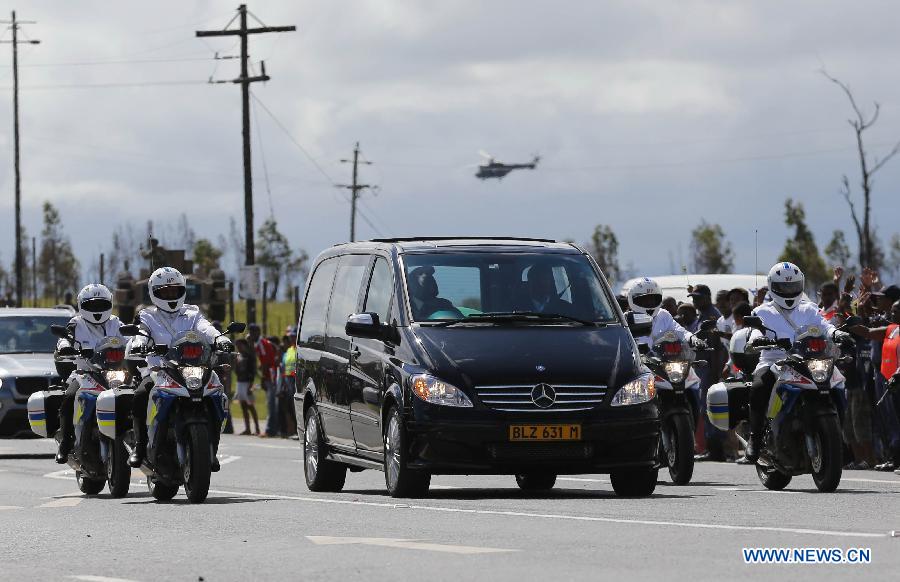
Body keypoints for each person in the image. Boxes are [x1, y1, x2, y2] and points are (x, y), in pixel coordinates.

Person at [745, 262, 852, 462]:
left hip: (808, 360)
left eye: (793, 286)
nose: (789, 291)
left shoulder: (809, 308)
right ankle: (755, 437)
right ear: (773, 287)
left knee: (837, 383)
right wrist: (758, 340)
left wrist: (838, 334)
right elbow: (754, 332)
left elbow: (824, 326)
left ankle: (839, 437)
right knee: (760, 385)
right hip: (774, 360)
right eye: (784, 287)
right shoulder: (762, 311)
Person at [127, 267, 231, 468]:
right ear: (154, 293)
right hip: (161, 371)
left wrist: (220, 338)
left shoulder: (192, 313)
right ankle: (140, 447)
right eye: (165, 292)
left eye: (174, 291)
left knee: (217, 394)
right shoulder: (147, 316)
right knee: (141, 393)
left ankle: (211, 448)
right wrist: (140, 342)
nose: (170, 295)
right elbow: (141, 333)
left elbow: (206, 328)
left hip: (193, 369)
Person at [54, 284, 125, 464]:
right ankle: (66, 442)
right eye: (92, 306)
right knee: (69, 396)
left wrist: (136, 346)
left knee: (129, 398)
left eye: (101, 305)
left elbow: (131, 339)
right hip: (84, 373)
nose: (97, 309)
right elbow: (65, 338)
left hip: (113, 373)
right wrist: (65, 348)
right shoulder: (76, 323)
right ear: (82, 306)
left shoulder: (116, 323)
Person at [626, 278, 706, 349]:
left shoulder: (663, 315)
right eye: (645, 299)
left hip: (665, 362)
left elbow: (680, 331)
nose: (650, 302)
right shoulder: (626, 319)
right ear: (633, 299)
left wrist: (693, 339)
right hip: (637, 362)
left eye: (653, 299)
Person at [248, 323, 280, 438]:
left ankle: (270, 430)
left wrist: (262, 378)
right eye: (250, 332)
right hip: (270, 374)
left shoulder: (262, 343)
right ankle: (275, 429)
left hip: (270, 376)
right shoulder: (260, 344)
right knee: (271, 403)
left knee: (271, 404)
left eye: (252, 332)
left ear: (258, 332)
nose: (250, 335)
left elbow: (266, 362)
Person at [233, 338, 260, 435]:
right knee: (243, 406)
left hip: (247, 383)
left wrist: (251, 385)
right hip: (239, 382)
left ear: (244, 345)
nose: (238, 347)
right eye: (237, 346)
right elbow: (236, 371)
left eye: (240, 345)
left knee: (251, 406)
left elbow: (253, 372)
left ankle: (257, 428)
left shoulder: (249, 356)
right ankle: (247, 428)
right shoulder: (238, 356)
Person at [279, 331, 299, 438]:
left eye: (293, 337)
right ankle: (292, 430)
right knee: (289, 407)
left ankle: (297, 431)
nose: (291, 339)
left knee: (294, 405)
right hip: (287, 381)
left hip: (296, 380)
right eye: (290, 337)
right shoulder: (289, 350)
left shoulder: (299, 349)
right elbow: (283, 367)